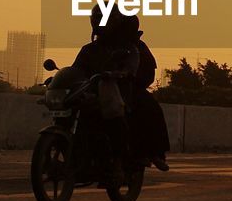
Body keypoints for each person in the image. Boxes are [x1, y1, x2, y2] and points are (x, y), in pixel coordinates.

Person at [71, 9, 170, 171]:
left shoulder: (131, 47)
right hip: (92, 90)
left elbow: (144, 72)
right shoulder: (89, 49)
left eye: (103, 19)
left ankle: (149, 153)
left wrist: (124, 76)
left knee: (146, 105)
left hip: (124, 89)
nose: (99, 23)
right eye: (97, 18)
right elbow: (76, 70)